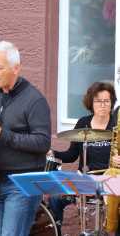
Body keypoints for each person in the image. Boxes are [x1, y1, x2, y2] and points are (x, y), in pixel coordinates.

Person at [0, 41, 51, 236]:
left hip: (21, 183)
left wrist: (2, 135)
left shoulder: (35, 100)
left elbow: (43, 143)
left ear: (16, 68)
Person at [48, 81, 116, 235]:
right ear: (91, 102)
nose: (103, 105)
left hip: (109, 183)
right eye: (98, 101)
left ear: (112, 103)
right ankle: (56, 230)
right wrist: (53, 153)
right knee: (55, 198)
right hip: (84, 182)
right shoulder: (83, 123)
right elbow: (71, 155)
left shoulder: (116, 126)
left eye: (107, 101)